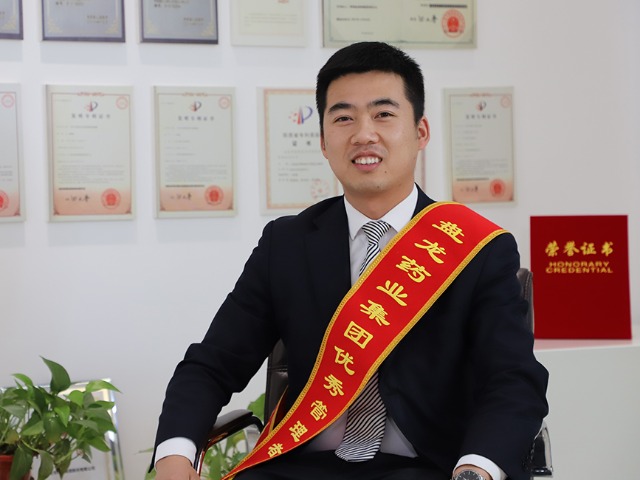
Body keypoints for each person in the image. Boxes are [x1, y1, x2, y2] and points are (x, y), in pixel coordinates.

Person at [152, 41, 549, 480]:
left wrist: (476, 469)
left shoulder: (476, 247)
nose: (364, 134)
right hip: (302, 468)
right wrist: (174, 456)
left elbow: (513, 381)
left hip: (428, 468)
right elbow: (212, 363)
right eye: (344, 118)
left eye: (383, 114)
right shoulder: (287, 244)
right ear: (324, 142)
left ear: (420, 132)